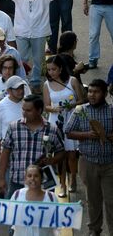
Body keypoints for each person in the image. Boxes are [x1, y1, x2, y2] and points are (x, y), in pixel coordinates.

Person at [66, 79, 113, 236]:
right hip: (88, 161)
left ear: (105, 94)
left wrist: (108, 136)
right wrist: (87, 135)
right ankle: (94, 229)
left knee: (111, 201)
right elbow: (68, 131)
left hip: (109, 163)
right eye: (90, 91)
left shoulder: (111, 111)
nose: (92, 95)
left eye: (96, 92)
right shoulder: (80, 110)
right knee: (92, 200)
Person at [0, 95, 65, 199]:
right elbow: (5, 152)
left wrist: (52, 160)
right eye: (23, 109)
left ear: (39, 110)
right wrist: (1, 178)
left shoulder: (52, 129)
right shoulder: (14, 127)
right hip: (18, 181)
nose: (24, 113)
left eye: (28, 110)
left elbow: (61, 152)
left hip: (45, 182)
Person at [43, 54, 85, 197]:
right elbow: (46, 106)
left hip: (71, 119)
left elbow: (82, 100)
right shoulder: (47, 85)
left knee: (72, 154)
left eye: (54, 69)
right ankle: (62, 184)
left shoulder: (72, 81)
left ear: (60, 69)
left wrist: (71, 105)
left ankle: (73, 178)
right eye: (49, 70)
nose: (51, 72)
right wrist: (54, 109)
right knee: (59, 155)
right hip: (55, 120)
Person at [6, 0, 56, 93]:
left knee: (38, 59)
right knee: (21, 58)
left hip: (40, 30)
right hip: (21, 30)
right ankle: (19, 82)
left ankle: (36, 83)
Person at [10, 165, 58, 236]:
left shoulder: (51, 197)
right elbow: (9, 214)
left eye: (36, 176)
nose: (32, 178)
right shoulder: (17, 195)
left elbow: (58, 219)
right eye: (29, 176)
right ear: (25, 179)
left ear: (42, 179)